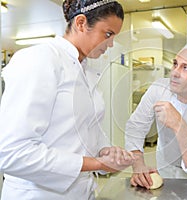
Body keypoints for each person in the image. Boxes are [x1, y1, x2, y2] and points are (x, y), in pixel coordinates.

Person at [0, 0, 135, 199]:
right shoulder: (40, 59)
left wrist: (105, 151)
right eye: (108, 34)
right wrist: (96, 164)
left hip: (81, 192)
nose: (111, 44)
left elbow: (81, 132)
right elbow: (12, 153)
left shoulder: (87, 70)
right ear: (80, 23)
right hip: (37, 194)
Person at [125, 37, 187, 189]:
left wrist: (178, 124)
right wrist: (138, 165)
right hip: (164, 168)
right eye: (175, 64)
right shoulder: (158, 89)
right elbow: (136, 126)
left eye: (186, 68)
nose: (174, 73)